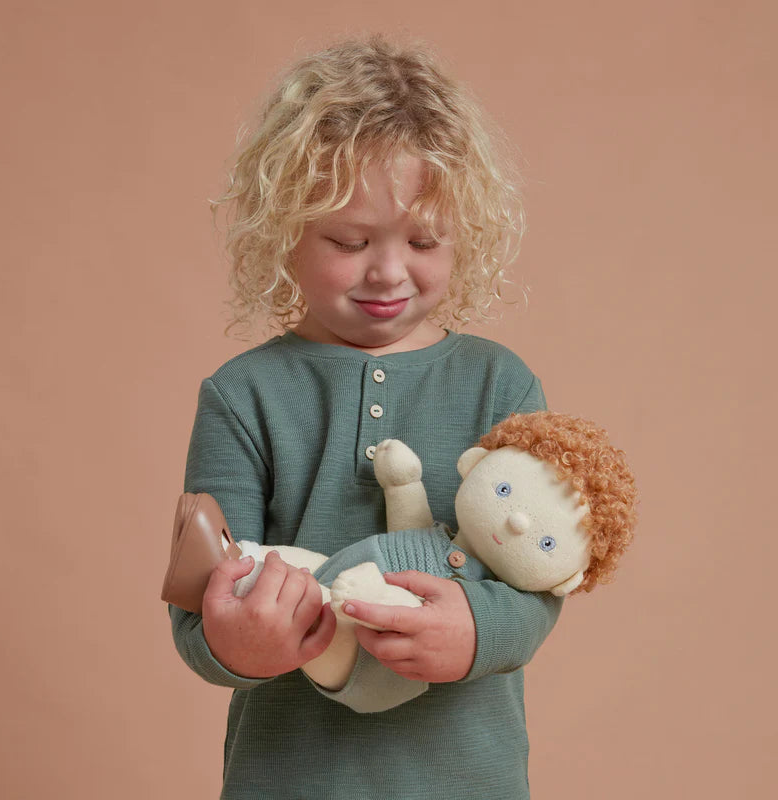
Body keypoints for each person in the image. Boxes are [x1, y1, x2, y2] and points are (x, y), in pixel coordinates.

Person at [170, 35, 560, 800]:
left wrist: (479, 628)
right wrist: (239, 641)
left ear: (463, 236)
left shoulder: (501, 385)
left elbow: (539, 584)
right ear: (287, 230)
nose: (388, 271)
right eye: (349, 241)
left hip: (469, 781)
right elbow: (198, 616)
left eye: (421, 241)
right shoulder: (241, 396)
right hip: (289, 780)